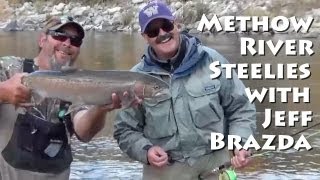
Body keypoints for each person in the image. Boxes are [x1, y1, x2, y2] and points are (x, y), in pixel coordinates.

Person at [113, 2, 256, 180]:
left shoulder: (213, 61)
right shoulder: (135, 79)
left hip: (215, 165)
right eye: (153, 31)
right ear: (145, 37)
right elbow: (125, 130)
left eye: (166, 26)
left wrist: (240, 143)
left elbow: (241, 108)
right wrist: (146, 150)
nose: (162, 34)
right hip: (165, 169)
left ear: (177, 24)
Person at [0, 16, 123, 180]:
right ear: (42, 40)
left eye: (75, 40)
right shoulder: (10, 68)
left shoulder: (81, 84)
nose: (67, 43)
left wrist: (100, 108)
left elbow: (84, 132)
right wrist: (3, 92)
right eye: (59, 35)